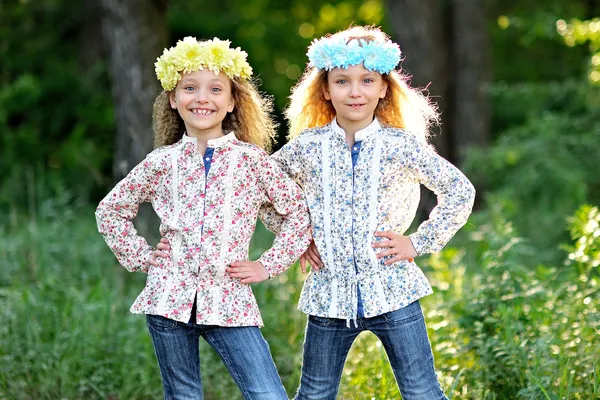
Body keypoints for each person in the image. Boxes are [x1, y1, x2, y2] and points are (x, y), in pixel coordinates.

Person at [95, 36, 311, 400]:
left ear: (230, 103)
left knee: (267, 394)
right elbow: (111, 210)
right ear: (173, 100)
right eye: (189, 88)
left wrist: (267, 265)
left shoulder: (251, 160)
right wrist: (143, 256)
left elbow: (298, 213)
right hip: (168, 299)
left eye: (215, 90)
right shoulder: (161, 162)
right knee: (183, 395)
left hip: (229, 298)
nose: (202, 98)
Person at [274, 25, 475, 399]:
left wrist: (419, 242)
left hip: (393, 291)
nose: (354, 91)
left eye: (367, 80)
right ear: (326, 90)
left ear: (383, 87)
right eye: (342, 81)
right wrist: (296, 239)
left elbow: (459, 191)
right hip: (328, 295)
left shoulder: (401, 145)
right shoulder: (307, 147)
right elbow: (263, 192)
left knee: (421, 391)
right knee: (314, 393)